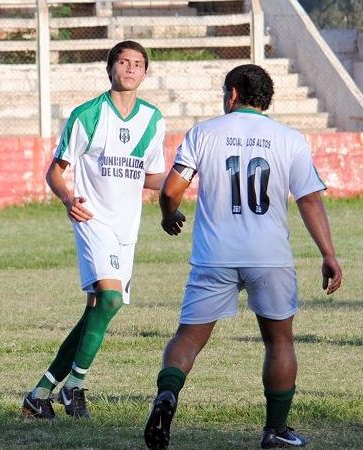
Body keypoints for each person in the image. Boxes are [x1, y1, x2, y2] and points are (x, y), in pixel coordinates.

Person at [143, 64, 343, 450]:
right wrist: (329, 253)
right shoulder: (289, 139)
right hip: (269, 256)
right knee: (279, 342)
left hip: (214, 255)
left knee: (187, 338)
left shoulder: (204, 133)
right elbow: (310, 199)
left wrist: (170, 215)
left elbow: (171, 190)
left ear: (233, 93)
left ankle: (168, 394)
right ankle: (275, 431)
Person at [21, 40, 168, 419]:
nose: (131, 68)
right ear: (110, 68)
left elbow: (152, 176)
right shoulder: (88, 115)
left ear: (145, 73)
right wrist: (69, 199)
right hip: (92, 219)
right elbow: (55, 170)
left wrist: (184, 182)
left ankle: (40, 393)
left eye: (138, 63)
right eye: (123, 61)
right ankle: (75, 386)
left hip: (126, 227)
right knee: (111, 300)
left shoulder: (153, 120)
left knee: (97, 310)